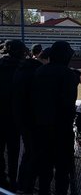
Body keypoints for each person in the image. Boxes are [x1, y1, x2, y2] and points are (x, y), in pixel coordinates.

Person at [33, 41, 80, 195]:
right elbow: (68, 103)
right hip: (61, 129)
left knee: (44, 168)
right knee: (62, 169)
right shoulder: (68, 75)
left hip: (40, 126)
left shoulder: (39, 71)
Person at [11, 41, 45, 193]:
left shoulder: (21, 69)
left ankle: (19, 184)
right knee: (29, 154)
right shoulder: (34, 70)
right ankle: (25, 185)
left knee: (25, 153)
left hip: (19, 117)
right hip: (30, 120)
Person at [0, 40, 25, 190]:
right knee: (14, 151)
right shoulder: (21, 68)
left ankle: (2, 180)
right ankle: (13, 181)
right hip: (16, 117)